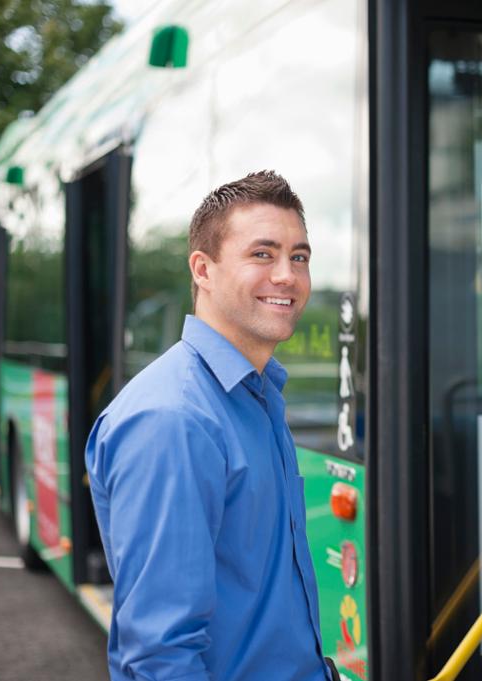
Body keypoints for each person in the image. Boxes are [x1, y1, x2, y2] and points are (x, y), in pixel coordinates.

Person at [86, 171, 338, 681]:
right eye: (262, 254)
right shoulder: (173, 420)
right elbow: (160, 655)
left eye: (299, 257)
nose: (287, 276)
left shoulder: (258, 394)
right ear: (203, 269)